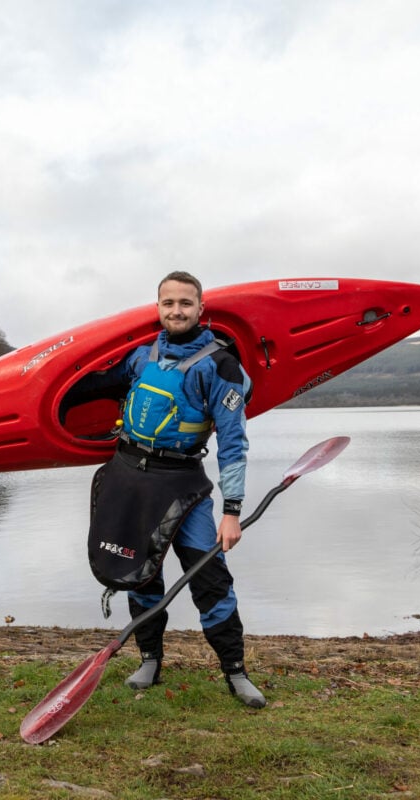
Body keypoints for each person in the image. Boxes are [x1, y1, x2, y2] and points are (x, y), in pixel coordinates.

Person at [80, 270, 265, 708]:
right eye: (169, 303)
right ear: (158, 308)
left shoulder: (219, 365)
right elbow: (91, 385)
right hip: (130, 477)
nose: (177, 311)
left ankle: (235, 671)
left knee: (210, 578)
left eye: (186, 303)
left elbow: (233, 444)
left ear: (201, 309)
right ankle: (149, 660)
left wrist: (232, 510)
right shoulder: (142, 357)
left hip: (183, 485)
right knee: (140, 574)